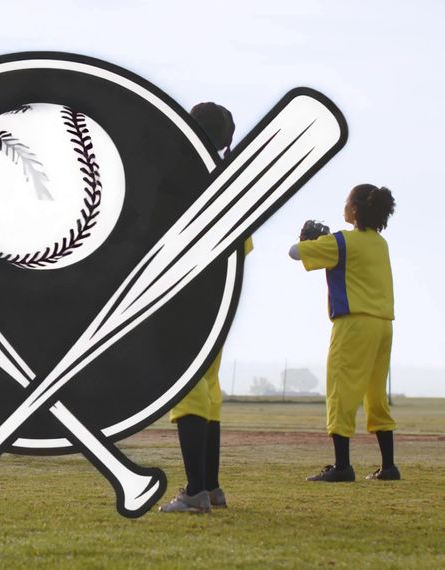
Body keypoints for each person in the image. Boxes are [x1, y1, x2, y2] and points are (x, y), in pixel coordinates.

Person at [159, 102, 250, 513]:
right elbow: (244, 245)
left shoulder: (186, 176)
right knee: (209, 391)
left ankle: (195, 492)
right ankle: (211, 487)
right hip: (221, 296)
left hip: (189, 296)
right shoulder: (228, 180)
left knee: (188, 389)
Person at [289, 184, 399, 482]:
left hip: (353, 324)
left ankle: (342, 467)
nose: (344, 206)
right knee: (375, 394)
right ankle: (388, 466)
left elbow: (295, 253)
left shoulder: (342, 241)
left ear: (355, 209)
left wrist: (308, 239)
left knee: (341, 390)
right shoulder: (380, 243)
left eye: (347, 201)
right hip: (383, 325)